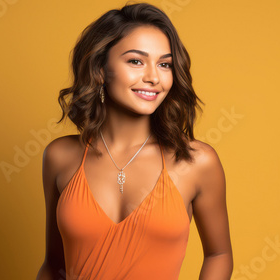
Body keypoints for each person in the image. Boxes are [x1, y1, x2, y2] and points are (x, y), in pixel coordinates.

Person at [36, 2, 233, 279]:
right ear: (101, 69)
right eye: (136, 61)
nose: (153, 77)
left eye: (165, 64)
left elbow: (219, 255)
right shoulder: (61, 156)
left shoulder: (195, 161)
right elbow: (54, 265)